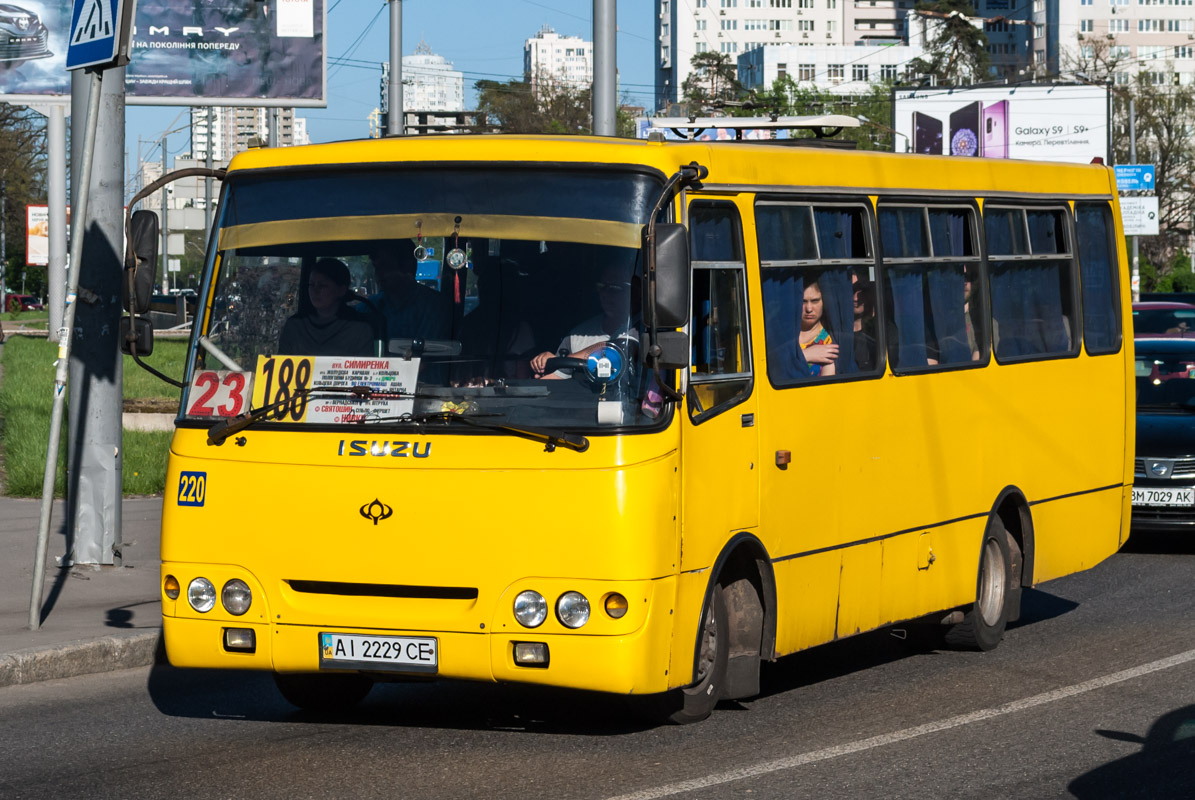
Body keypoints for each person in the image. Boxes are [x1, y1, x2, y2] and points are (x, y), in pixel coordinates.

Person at [530, 265, 639, 379]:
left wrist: (566, 360)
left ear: (636, 290)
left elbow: (623, 347)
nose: (605, 294)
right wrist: (544, 365)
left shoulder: (643, 329)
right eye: (601, 287)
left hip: (626, 397)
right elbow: (554, 379)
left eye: (615, 288)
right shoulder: (577, 335)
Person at [278, 258, 374, 356]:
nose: (315, 291)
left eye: (322, 286)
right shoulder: (295, 325)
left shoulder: (359, 328)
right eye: (311, 285)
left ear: (341, 290)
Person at [365, 247, 452, 342]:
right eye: (376, 267)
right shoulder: (371, 305)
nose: (378, 274)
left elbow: (429, 350)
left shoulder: (434, 306)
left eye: (385, 267)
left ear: (406, 268)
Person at [800, 280, 837, 377]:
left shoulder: (829, 340)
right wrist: (806, 355)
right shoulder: (784, 334)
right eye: (803, 301)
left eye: (815, 301)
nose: (809, 309)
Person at [851, 270, 877, 371]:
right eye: (851, 291)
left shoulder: (881, 331)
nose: (855, 298)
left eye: (861, 292)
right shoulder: (835, 334)